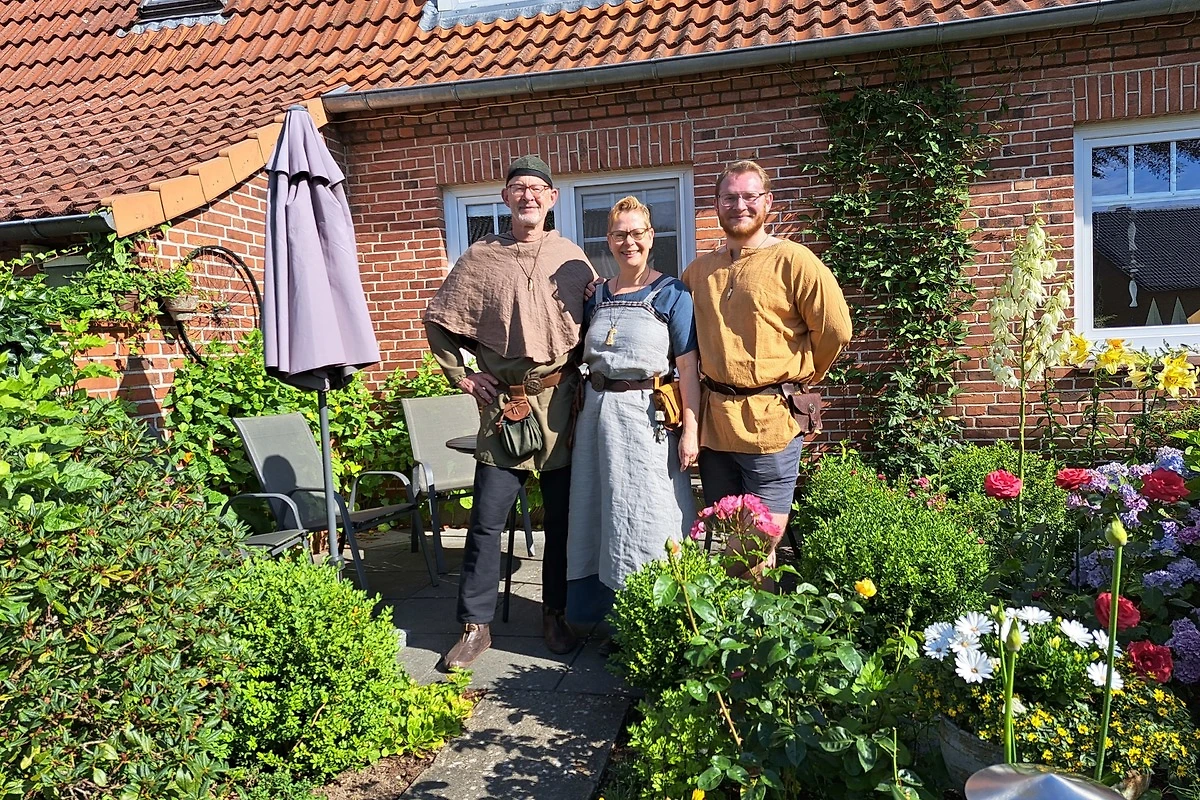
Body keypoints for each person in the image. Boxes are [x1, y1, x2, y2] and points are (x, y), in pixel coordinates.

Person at [424, 155, 596, 669]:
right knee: (485, 520)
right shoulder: (481, 258)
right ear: (505, 198)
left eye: (537, 188)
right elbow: (438, 319)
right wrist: (462, 375)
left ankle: (554, 614)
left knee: (562, 522)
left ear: (552, 198)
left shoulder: (572, 259)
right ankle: (475, 625)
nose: (528, 196)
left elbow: (596, 320)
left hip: (560, 406)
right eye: (518, 188)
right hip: (505, 407)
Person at [681, 159, 852, 575]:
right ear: (716, 204)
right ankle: (746, 612)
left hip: (771, 422)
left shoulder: (794, 260)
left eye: (749, 196)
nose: (739, 205)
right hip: (716, 424)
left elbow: (835, 329)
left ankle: (750, 613)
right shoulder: (699, 271)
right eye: (729, 197)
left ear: (768, 202)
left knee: (757, 540)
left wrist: (805, 375)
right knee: (731, 533)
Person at [566, 196, 700, 626]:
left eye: (637, 233)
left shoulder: (673, 294)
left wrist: (692, 431)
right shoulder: (597, 297)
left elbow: (688, 368)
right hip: (596, 418)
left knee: (649, 512)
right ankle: (599, 616)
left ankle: (655, 617)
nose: (629, 242)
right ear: (608, 240)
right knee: (598, 510)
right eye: (619, 234)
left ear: (651, 237)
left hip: (646, 421)